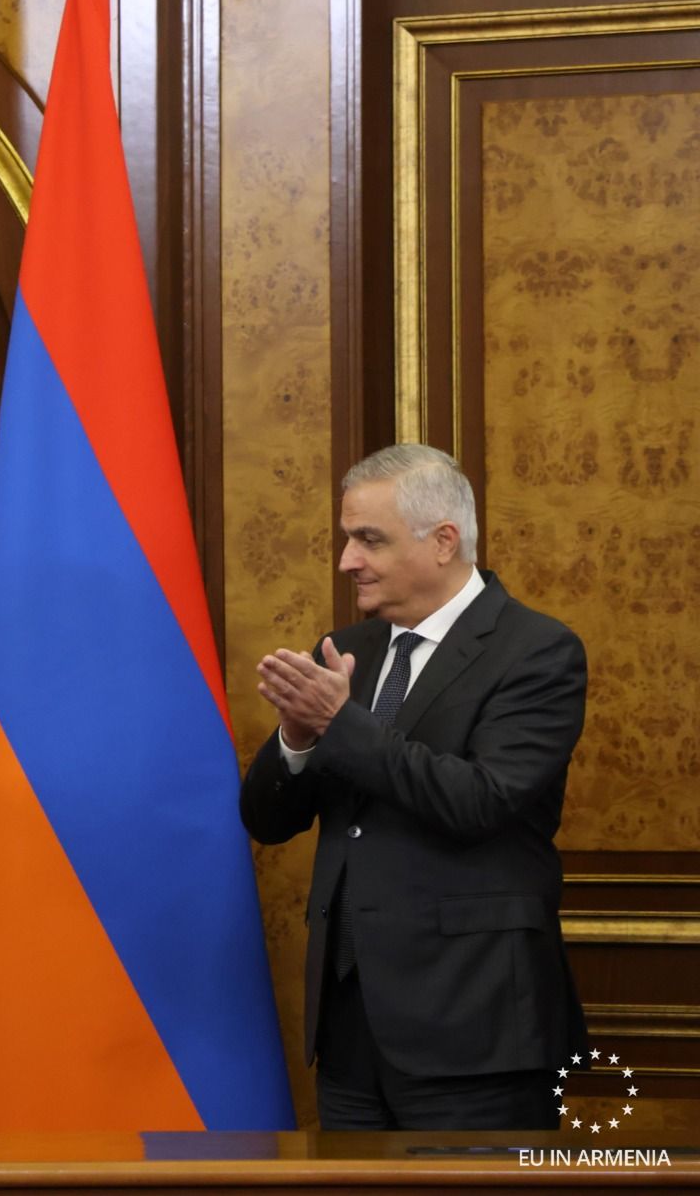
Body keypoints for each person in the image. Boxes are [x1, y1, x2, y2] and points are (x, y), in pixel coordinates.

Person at [242, 443, 588, 1131]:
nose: (348, 560)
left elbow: (480, 800)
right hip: (349, 1030)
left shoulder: (537, 651)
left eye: (369, 539)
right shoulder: (348, 652)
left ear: (443, 542)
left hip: (474, 1028)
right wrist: (298, 739)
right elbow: (267, 820)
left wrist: (338, 724)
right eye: (347, 538)